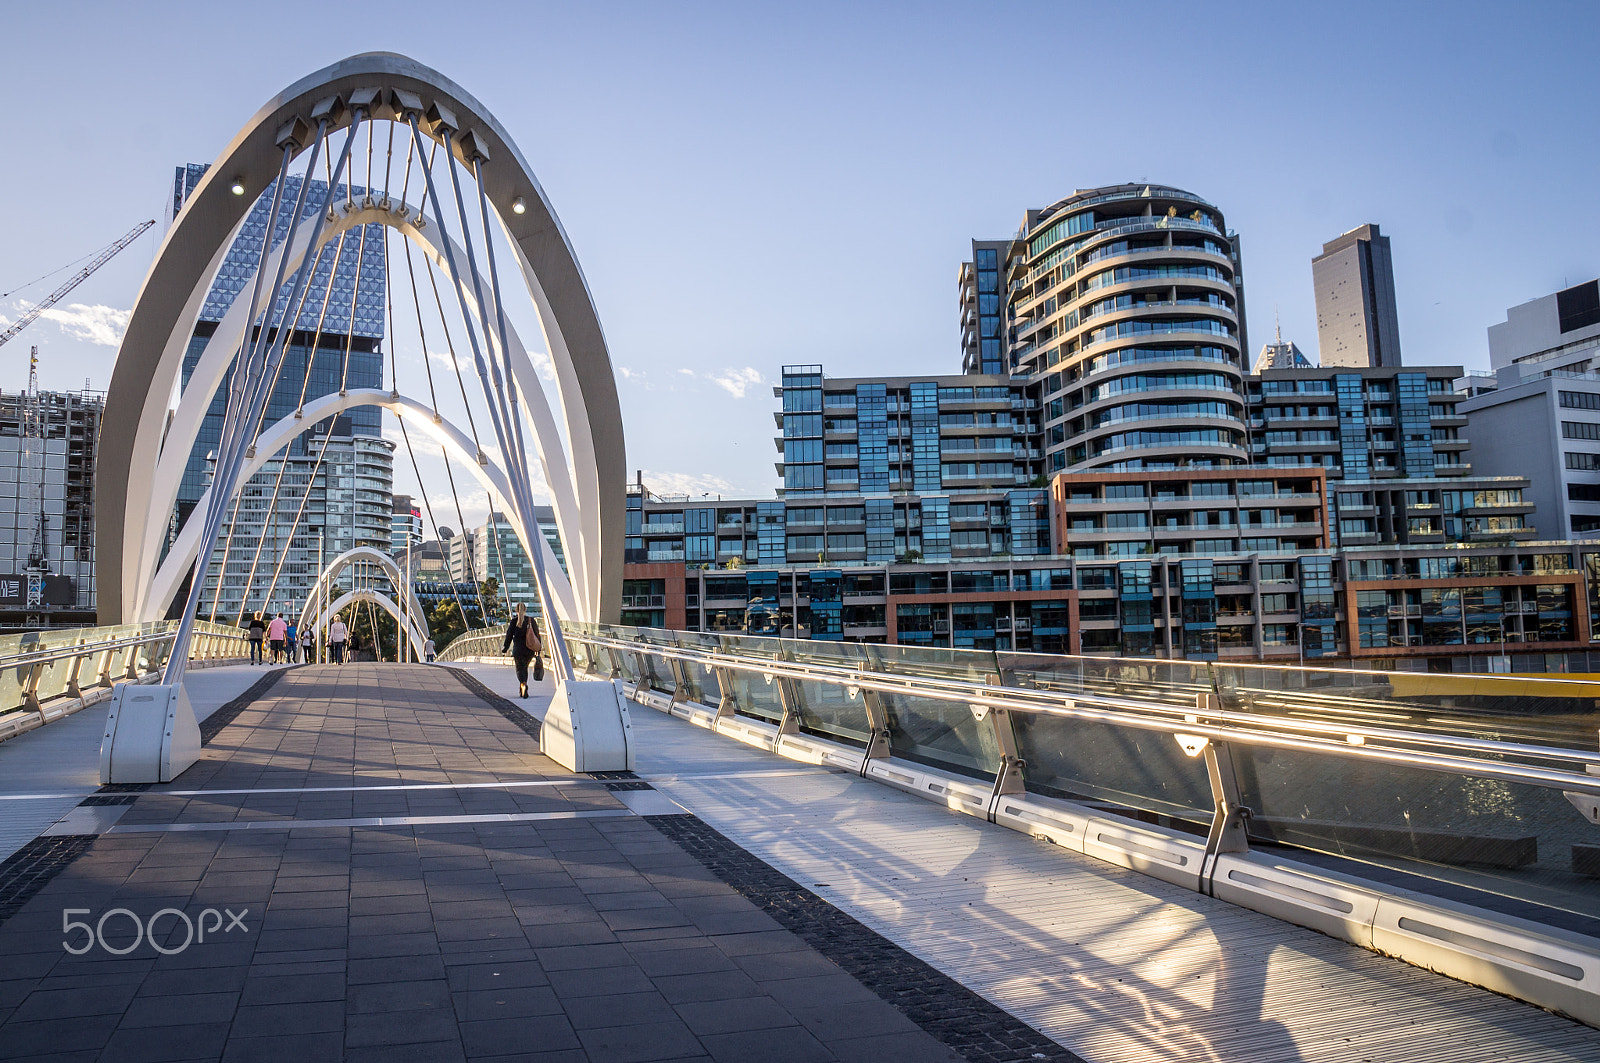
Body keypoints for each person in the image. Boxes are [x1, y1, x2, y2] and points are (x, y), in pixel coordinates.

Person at [502, 603, 542, 699]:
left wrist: (505, 648)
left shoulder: (514, 622)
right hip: (529, 650)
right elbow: (537, 635)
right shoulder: (531, 621)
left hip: (518, 650)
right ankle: (523, 685)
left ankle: (523, 684)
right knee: (525, 668)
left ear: (516, 610)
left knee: (519, 669)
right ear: (525, 610)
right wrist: (538, 649)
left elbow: (509, 636)